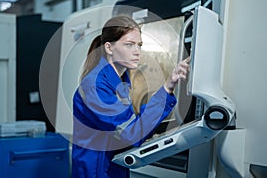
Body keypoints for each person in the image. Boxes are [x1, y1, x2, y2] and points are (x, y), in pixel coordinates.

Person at [71, 15, 190, 178]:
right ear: (109, 48)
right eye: (129, 45)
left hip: (111, 168)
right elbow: (130, 133)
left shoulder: (120, 83)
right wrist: (166, 87)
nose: (137, 52)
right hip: (96, 172)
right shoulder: (96, 86)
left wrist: (168, 86)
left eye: (139, 45)